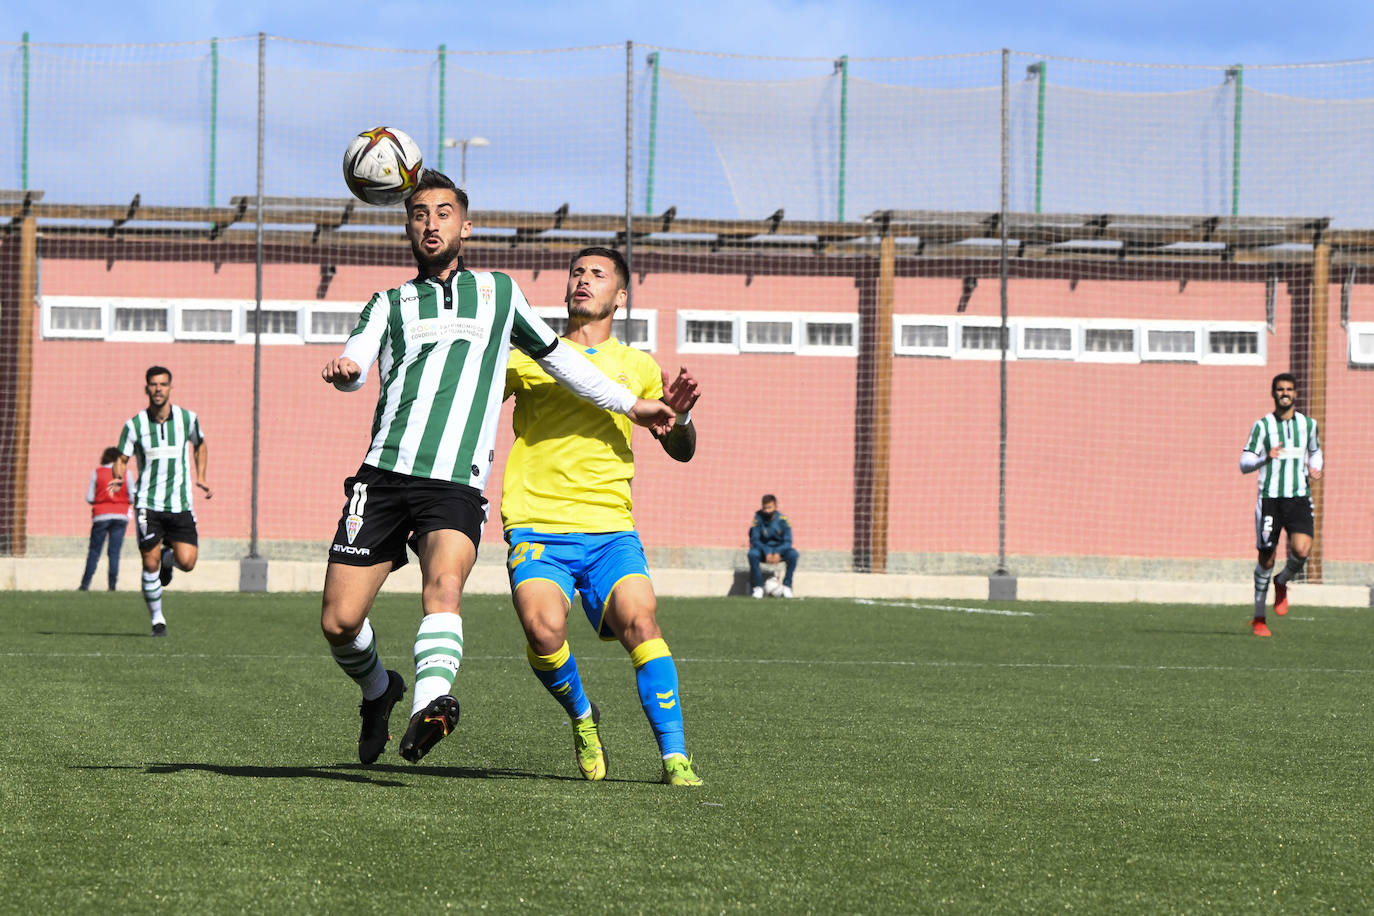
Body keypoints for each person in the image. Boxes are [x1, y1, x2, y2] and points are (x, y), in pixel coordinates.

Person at [319, 173, 674, 767]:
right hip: (382, 474)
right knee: (338, 622)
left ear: (465, 225)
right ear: (407, 226)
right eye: (419, 215)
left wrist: (632, 404)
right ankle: (381, 690)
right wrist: (346, 372)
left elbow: (561, 360)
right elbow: (357, 362)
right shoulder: (389, 302)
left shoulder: (500, 294)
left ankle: (431, 704)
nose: (431, 224)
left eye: (443, 213)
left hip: (456, 481)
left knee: (445, 585)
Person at [501, 246, 703, 787]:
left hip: (611, 529)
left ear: (620, 295)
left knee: (642, 621)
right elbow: (472, 408)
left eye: (598, 274)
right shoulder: (528, 355)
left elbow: (679, 447)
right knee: (543, 631)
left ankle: (675, 758)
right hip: (537, 522)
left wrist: (680, 419)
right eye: (576, 273)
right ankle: (584, 719)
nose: (583, 281)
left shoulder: (638, 367)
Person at [110, 366, 212, 636]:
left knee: (187, 562)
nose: (158, 389)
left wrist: (201, 476)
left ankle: (170, 560)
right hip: (148, 504)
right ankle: (158, 621)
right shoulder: (134, 425)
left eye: (163, 384)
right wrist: (118, 477)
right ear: (147, 389)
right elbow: (121, 458)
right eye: (153, 384)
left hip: (181, 504)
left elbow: (200, 444)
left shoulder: (188, 419)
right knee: (150, 562)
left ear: (170, 388)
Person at [1240, 372, 1323, 637]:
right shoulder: (1262, 426)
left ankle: (1282, 581)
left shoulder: (1308, 425)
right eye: (1279, 389)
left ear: (1295, 393)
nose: (1284, 393)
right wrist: (1265, 458)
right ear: (1273, 393)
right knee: (1266, 557)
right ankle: (1259, 617)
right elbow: (1244, 463)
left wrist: (1316, 467)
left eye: (1289, 389)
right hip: (1270, 500)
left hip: (1299, 496)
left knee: (1302, 550)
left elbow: (1316, 451)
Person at [80, 446, 132, 591]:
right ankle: (112, 586)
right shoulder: (127, 474)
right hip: (120, 516)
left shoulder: (97, 473)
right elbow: (132, 496)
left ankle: (85, 585)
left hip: (101, 515)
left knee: (95, 551)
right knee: (114, 552)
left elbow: (89, 497)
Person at [748, 494, 798, 599]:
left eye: (769, 507)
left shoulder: (783, 520)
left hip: (779, 551)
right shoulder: (758, 518)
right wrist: (767, 552)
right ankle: (758, 588)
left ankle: (786, 587)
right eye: (764, 508)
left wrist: (778, 552)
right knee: (752, 554)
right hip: (763, 550)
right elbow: (755, 539)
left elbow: (788, 541)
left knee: (793, 554)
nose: (767, 511)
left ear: (775, 507)